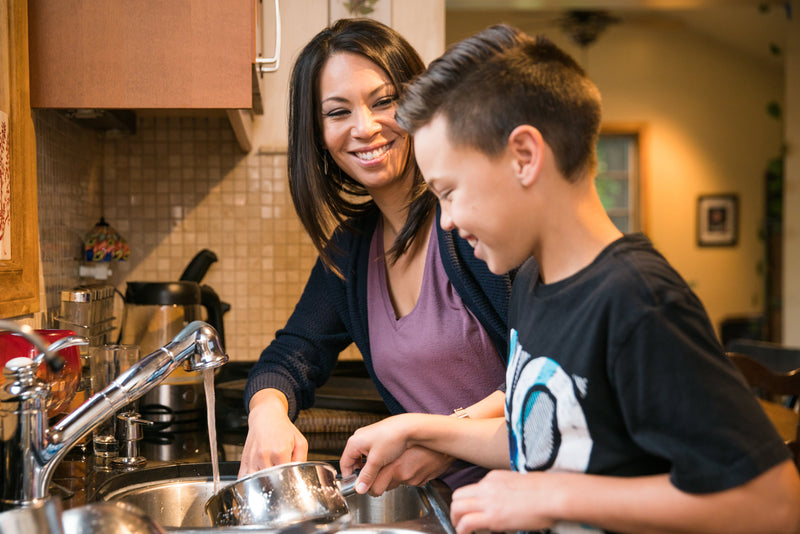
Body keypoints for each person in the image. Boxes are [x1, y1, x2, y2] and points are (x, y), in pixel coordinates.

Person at [340, 24, 800, 534]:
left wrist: (554, 497)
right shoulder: (535, 285)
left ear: (525, 156)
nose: (445, 220)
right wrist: (417, 429)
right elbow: (543, 439)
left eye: (449, 191)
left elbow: (772, 502)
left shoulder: (637, 301)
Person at [240, 18, 513, 492]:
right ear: (317, 132)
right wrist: (267, 410)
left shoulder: (471, 224)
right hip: (451, 509)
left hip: (532, 502)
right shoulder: (351, 251)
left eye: (384, 101)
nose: (364, 128)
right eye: (337, 111)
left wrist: (444, 440)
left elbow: (551, 376)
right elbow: (291, 355)